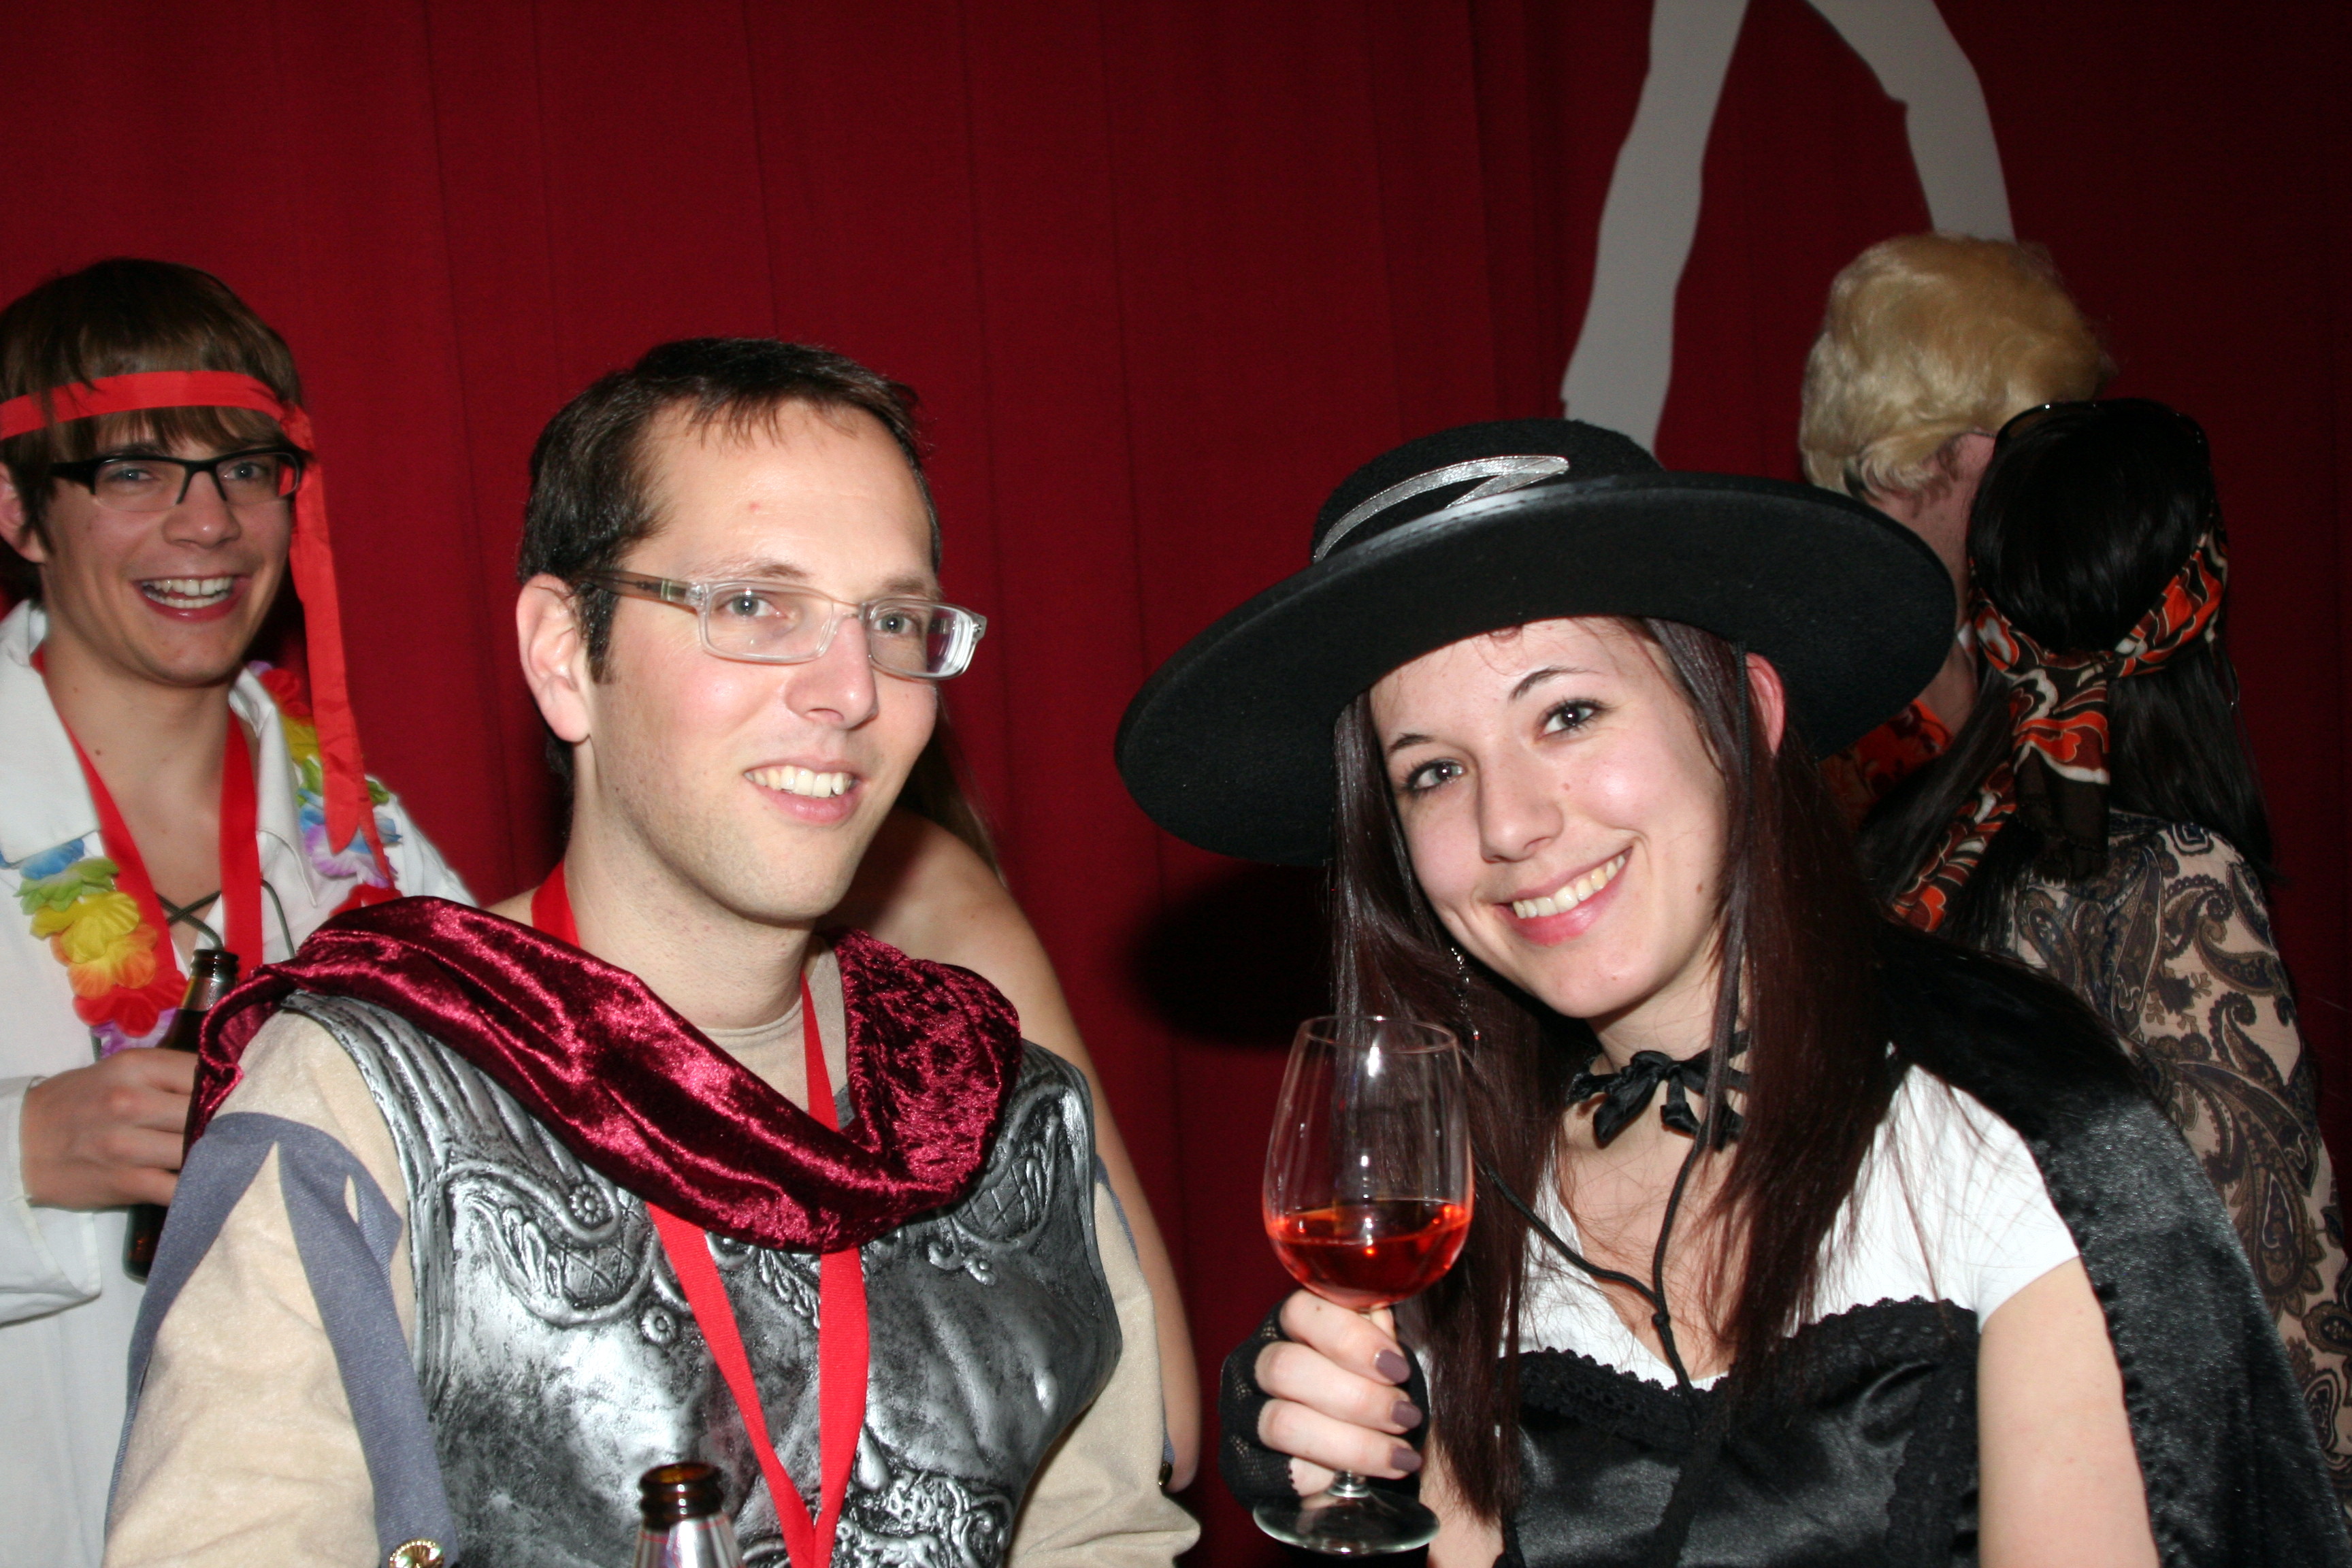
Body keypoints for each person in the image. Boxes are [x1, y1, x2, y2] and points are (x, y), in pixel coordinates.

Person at [1116, 419, 2345, 1563]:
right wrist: (1348, 1453)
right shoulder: (1472, 1205)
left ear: (1743, 712)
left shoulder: (2001, 1148)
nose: (1509, 824)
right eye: (1433, 771)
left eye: (1568, 712)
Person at [105, 338, 1197, 1567]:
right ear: (565, 655)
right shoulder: (359, 1096)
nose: (851, 689)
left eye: (892, 619)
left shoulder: (987, 1094)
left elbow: (1099, 1532)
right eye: (755, 606)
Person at [0, 259, 471, 1567]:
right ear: (20, 510)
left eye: (245, 468)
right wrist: (17, 1153)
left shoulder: (368, 840)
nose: (208, 523)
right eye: (135, 471)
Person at [1859, 396, 2352, 1501]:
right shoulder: (2173, 880)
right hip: (2104, 1490)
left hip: (1915, 1476)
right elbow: (2286, 1310)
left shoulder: (1905, 850)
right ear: (2201, 600)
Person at [1798, 233, 2111, 817]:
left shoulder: (2040, 635)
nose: (2056, 466)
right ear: (1918, 445)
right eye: (2028, 433)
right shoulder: (1804, 670)